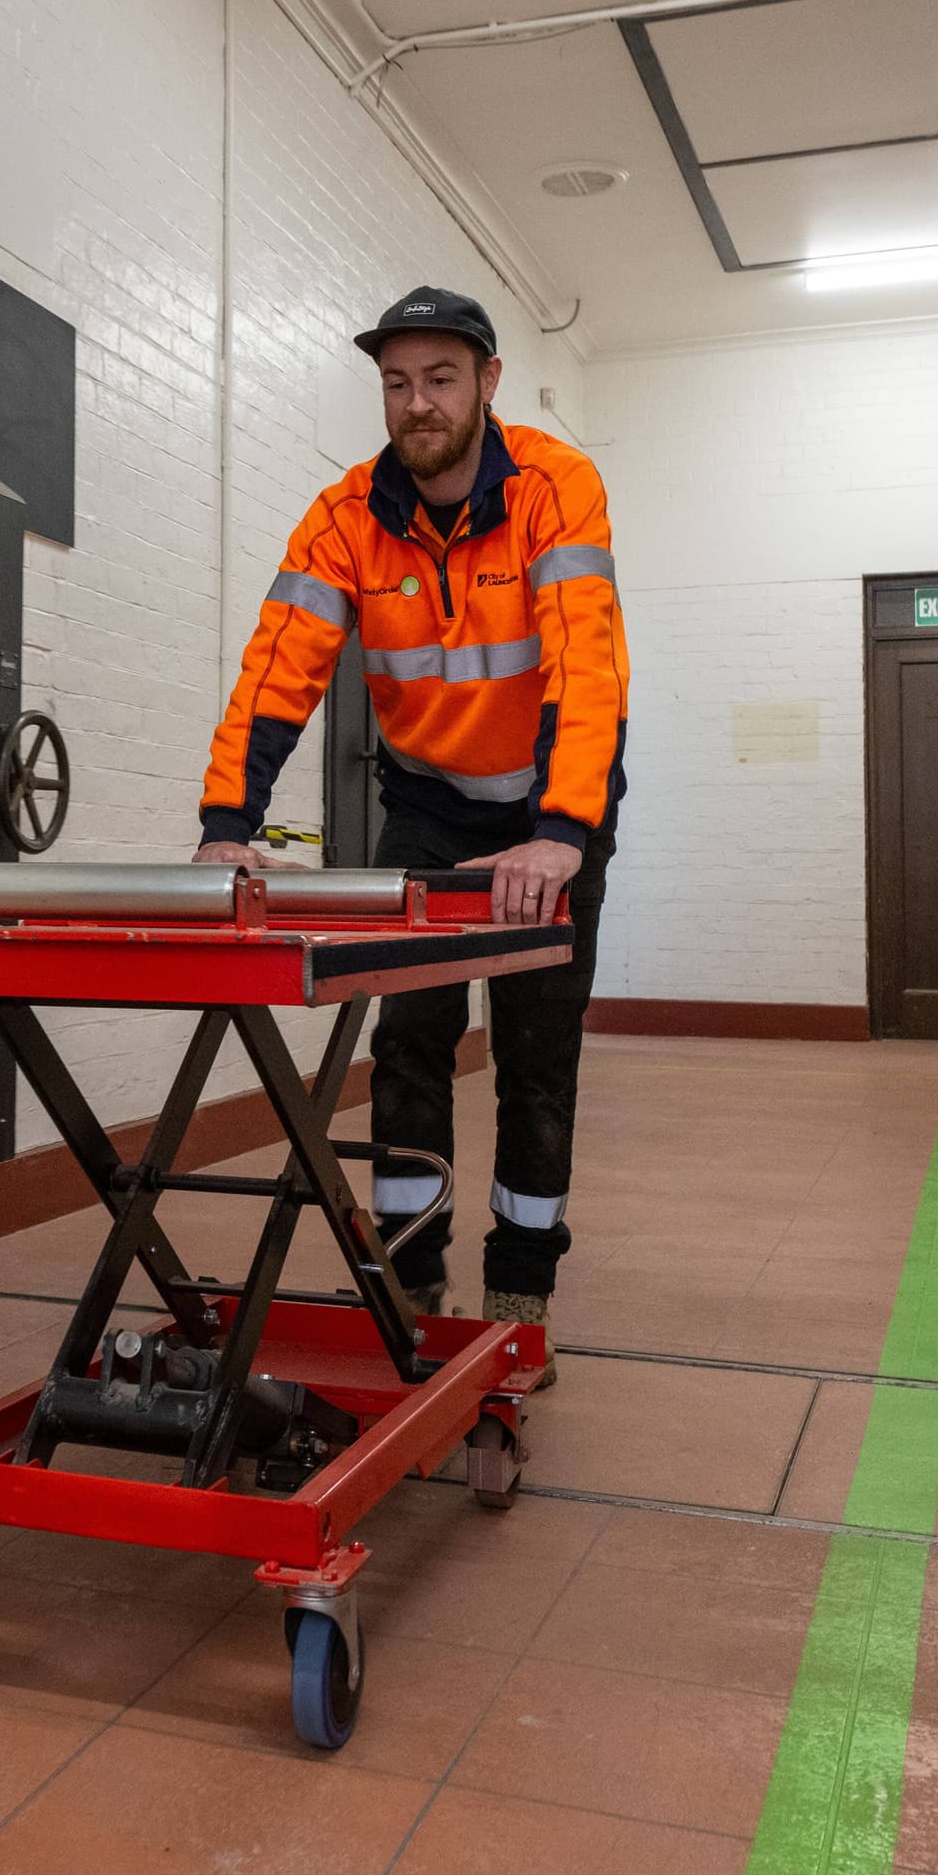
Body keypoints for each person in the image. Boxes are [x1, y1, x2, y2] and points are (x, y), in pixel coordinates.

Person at [195, 286, 629, 1372]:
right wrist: (227, 824)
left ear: (488, 382)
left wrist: (562, 832)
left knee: (536, 1055)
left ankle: (521, 1293)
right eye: (396, 383)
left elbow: (588, 667)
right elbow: (277, 670)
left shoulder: (554, 487)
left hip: (548, 810)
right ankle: (411, 1280)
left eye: (440, 378)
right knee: (407, 1044)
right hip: (430, 809)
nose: (417, 402)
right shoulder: (345, 514)